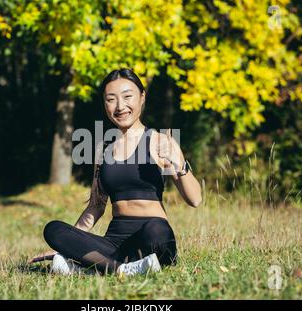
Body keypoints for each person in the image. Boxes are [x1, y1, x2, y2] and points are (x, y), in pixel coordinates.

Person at [29, 68, 202, 276]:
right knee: (54, 229)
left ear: (142, 97)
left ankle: (94, 268)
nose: (120, 106)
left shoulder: (160, 141)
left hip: (151, 238)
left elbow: (195, 200)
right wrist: (67, 245)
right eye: (111, 99)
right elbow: (96, 206)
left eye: (128, 96)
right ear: (105, 104)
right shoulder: (103, 150)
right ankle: (122, 269)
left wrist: (179, 164)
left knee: (157, 230)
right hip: (114, 244)